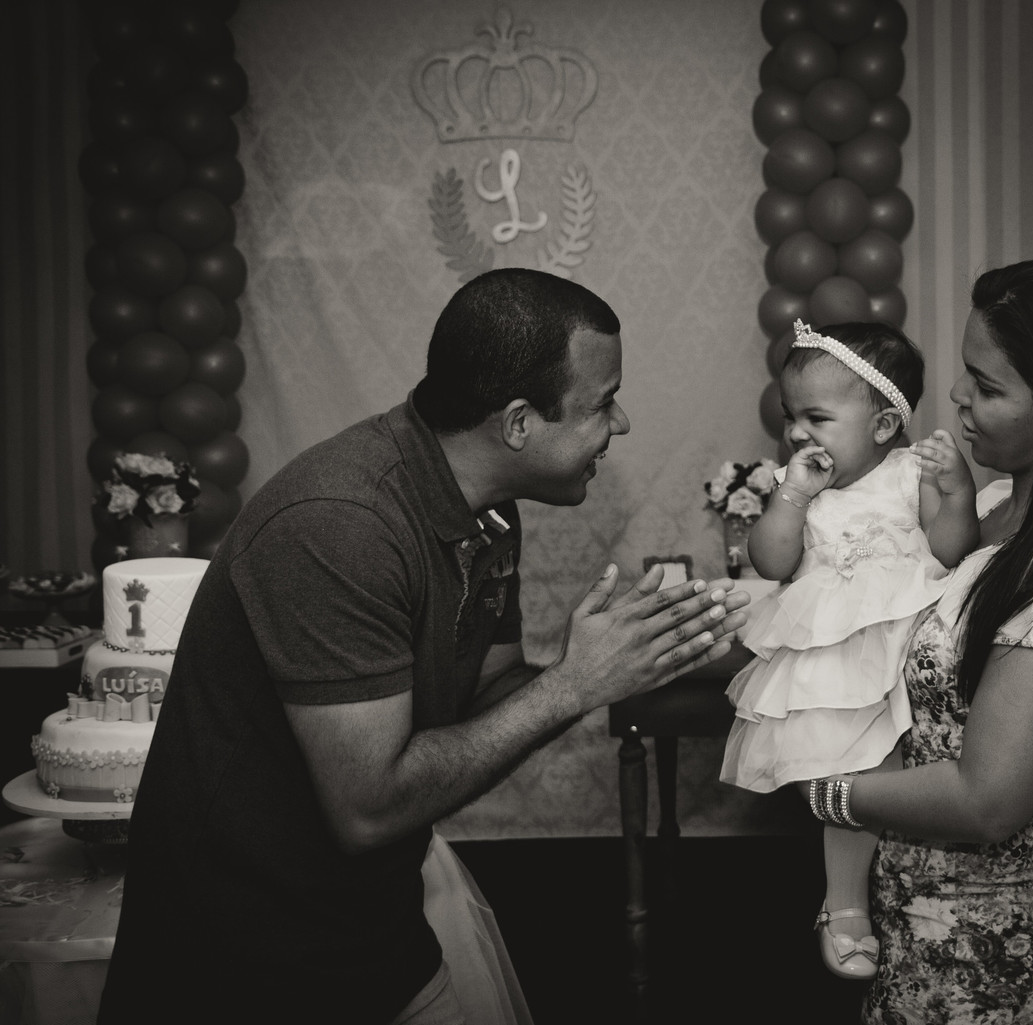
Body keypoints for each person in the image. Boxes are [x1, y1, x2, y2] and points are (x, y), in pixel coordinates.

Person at [97, 268, 750, 1024]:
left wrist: (618, 664)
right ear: (517, 424)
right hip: (242, 966)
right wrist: (574, 685)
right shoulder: (340, 525)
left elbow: (494, 691)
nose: (623, 423)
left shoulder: (490, 506)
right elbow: (368, 807)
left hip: (374, 935)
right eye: (603, 403)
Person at [795, 256, 1033, 1023]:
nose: (955, 395)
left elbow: (987, 798)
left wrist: (820, 790)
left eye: (989, 385)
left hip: (985, 951)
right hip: (914, 921)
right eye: (965, 372)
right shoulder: (994, 507)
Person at [720, 320, 979, 980]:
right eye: (789, 416)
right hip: (838, 660)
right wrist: (792, 496)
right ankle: (844, 903)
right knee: (854, 775)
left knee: (919, 777)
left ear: (886, 425)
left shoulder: (904, 475)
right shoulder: (797, 485)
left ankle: (917, 897)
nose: (797, 432)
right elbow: (773, 561)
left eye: (817, 416)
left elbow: (949, 551)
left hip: (910, 649)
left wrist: (956, 494)